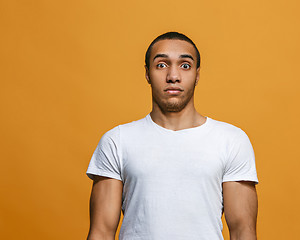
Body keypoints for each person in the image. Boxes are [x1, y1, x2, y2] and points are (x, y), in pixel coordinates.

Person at [86, 32, 259, 240]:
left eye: (185, 65)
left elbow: (243, 231)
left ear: (197, 74)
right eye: (161, 65)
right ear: (147, 73)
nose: (173, 76)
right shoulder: (117, 141)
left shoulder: (232, 141)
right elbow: (101, 232)